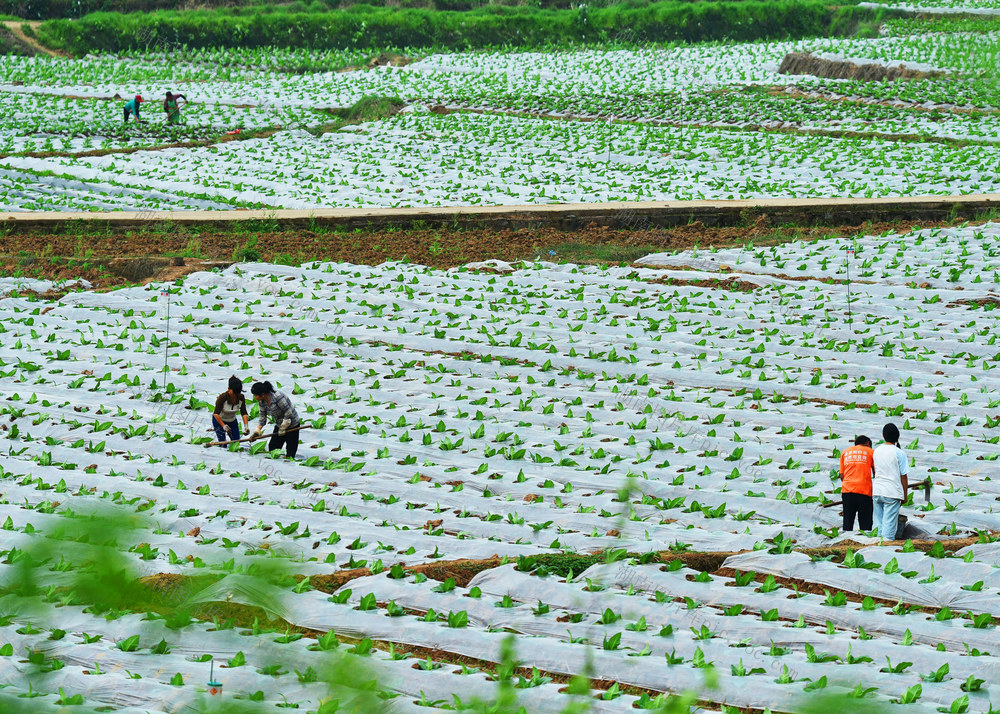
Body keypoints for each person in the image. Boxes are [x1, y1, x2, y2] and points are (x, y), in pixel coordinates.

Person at [872, 423, 909, 540]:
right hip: (892, 492)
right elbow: (903, 476)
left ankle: (875, 549)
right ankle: (885, 550)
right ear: (897, 437)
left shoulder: (877, 451)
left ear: (883, 436)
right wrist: (905, 495)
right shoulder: (900, 453)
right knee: (889, 526)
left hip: (877, 490)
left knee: (878, 524)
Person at [250, 381, 300, 458]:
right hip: (279, 423)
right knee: (273, 447)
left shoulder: (277, 397)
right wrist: (257, 430)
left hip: (292, 424)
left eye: (255, 395)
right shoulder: (261, 401)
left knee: (290, 450)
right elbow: (263, 415)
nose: (255, 397)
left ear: (262, 394)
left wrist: (284, 426)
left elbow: (288, 411)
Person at [839, 435, 874, 532]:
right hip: (864, 491)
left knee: (847, 522)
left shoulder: (845, 452)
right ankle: (865, 544)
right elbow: (877, 473)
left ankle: (845, 544)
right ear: (867, 444)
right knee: (865, 524)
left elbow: (842, 475)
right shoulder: (871, 452)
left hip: (847, 491)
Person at [212, 376, 249, 446]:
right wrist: (223, 426)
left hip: (232, 421)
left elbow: (244, 413)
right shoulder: (222, 398)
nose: (235, 395)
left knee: (236, 443)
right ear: (229, 389)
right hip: (219, 421)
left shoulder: (241, 397)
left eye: (237, 393)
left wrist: (246, 426)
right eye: (233, 393)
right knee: (223, 444)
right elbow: (216, 414)